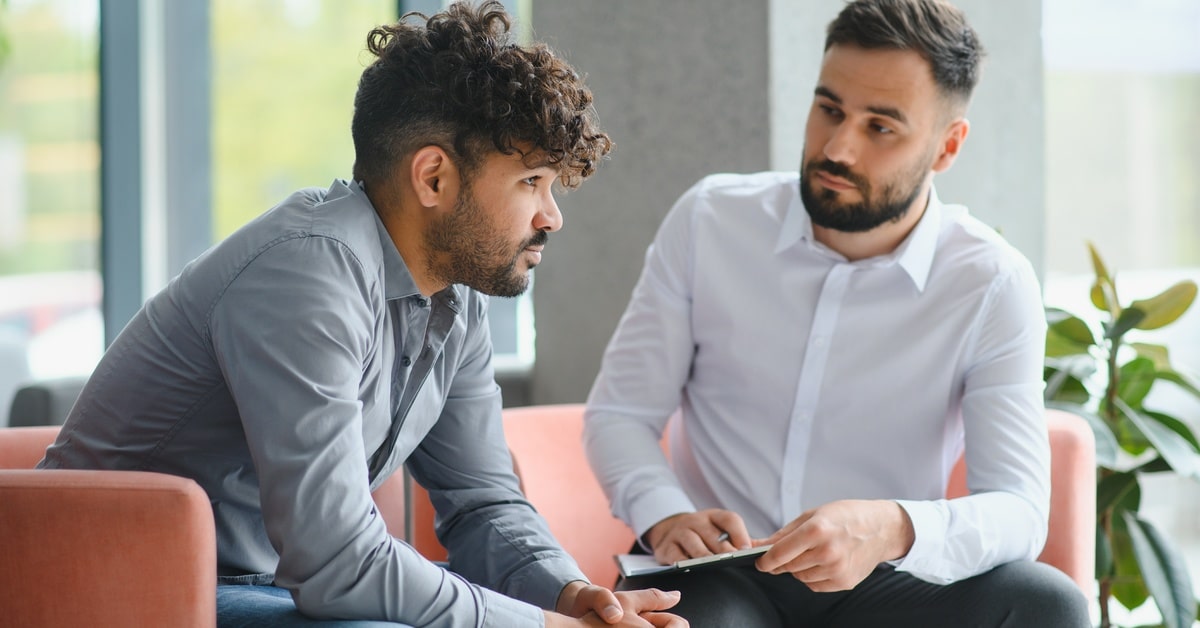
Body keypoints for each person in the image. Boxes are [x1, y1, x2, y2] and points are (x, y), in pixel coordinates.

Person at [38, 3, 686, 627]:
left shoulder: (455, 298)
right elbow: (337, 565)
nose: (552, 217)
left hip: (265, 588)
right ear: (433, 178)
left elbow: (482, 504)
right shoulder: (306, 270)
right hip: (115, 588)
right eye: (530, 183)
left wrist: (574, 598)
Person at [583, 0, 1091, 626]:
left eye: (881, 127)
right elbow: (619, 413)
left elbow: (1017, 510)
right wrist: (663, 515)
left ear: (946, 147)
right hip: (720, 573)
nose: (838, 149)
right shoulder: (710, 221)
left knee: (1048, 606)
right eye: (829, 110)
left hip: (887, 580)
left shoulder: (991, 283)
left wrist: (894, 527)